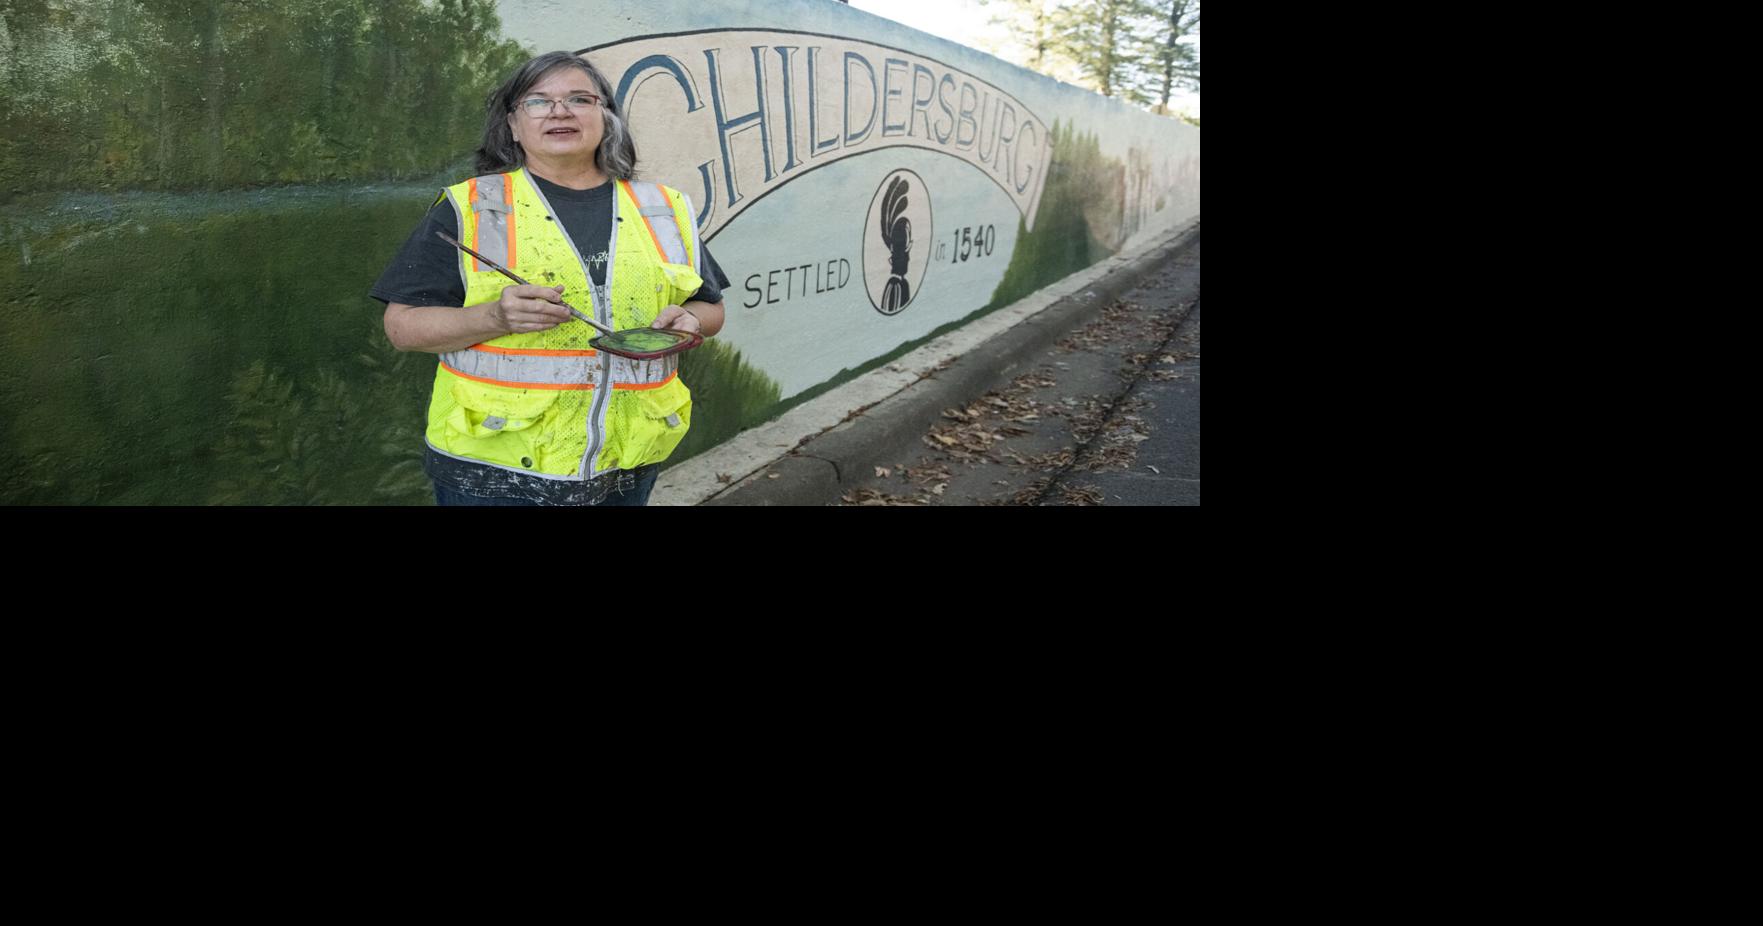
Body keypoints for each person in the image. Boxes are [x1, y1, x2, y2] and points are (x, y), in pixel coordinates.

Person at [371, 50, 729, 506]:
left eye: (579, 99)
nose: (560, 111)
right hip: (493, 468)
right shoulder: (474, 206)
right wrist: (495, 317)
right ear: (513, 126)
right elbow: (402, 328)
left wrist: (691, 321)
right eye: (538, 101)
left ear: (607, 118)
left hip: (627, 460)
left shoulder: (662, 207)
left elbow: (711, 307)